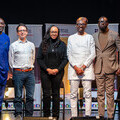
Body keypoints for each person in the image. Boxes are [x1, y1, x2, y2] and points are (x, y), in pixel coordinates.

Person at [67, 17, 96, 118]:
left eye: (83, 24)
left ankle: (87, 116)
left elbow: (93, 54)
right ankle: (74, 116)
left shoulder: (90, 37)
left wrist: (83, 67)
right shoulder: (71, 38)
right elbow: (69, 54)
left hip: (86, 70)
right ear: (76, 25)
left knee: (87, 94)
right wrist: (76, 67)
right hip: (74, 70)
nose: (80, 26)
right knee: (73, 95)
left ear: (86, 25)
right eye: (78, 24)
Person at [37, 25, 68, 119]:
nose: (54, 34)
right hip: (45, 72)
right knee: (46, 94)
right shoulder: (43, 44)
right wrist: (47, 69)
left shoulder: (62, 44)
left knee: (56, 94)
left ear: (58, 33)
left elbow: (65, 59)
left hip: (58, 73)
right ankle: (46, 116)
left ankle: (55, 116)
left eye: (55, 32)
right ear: (49, 33)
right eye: (52, 32)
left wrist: (57, 69)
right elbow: (39, 59)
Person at [93, 16, 120, 120]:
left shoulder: (114, 34)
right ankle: (100, 115)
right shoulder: (94, 36)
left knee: (110, 93)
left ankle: (110, 115)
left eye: (104, 22)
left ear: (107, 23)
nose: (102, 23)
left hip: (111, 67)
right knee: (100, 93)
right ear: (98, 24)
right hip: (99, 68)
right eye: (100, 22)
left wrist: (119, 66)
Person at [9, 23, 35, 120]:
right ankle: (18, 114)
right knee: (18, 96)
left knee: (30, 96)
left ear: (27, 32)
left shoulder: (31, 45)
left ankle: (29, 116)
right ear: (17, 33)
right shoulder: (13, 45)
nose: (22, 32)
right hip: (18, 72)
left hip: (29, 73)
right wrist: (16, 70)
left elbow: (33, 58)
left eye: (24, 30)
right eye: (20, 30)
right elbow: (11, 61)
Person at [0, 18, 10, 118]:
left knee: (1, 95)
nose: (0, 25)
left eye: (2, 23)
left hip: (2, 71)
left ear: (4, 25)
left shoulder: (6, 38)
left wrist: (7, 71)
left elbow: (7, 55)